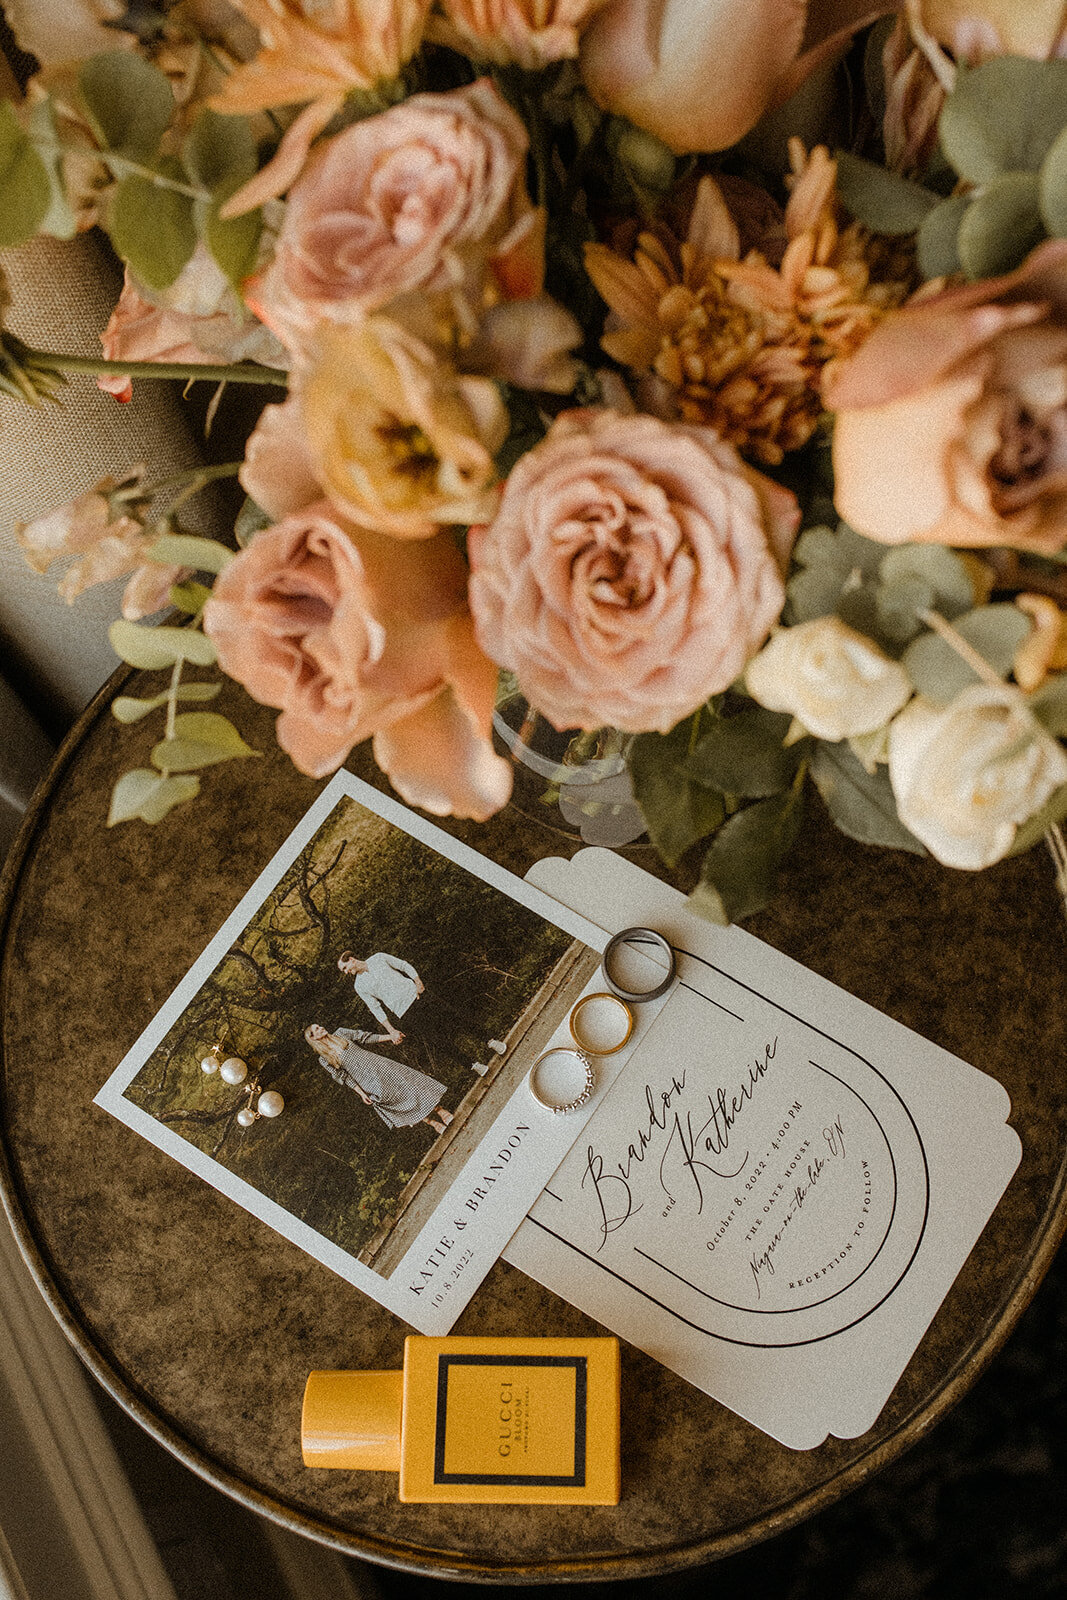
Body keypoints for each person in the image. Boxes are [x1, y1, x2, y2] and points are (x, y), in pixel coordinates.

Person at [304, 1023, 453, 1136]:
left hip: (380, 1066)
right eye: (316, 1030)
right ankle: (432, 1123)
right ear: (313, 1038)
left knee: (409, 1087)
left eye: (319, 1026)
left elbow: (366, 1037)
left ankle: (441, 1112)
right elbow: (344, 1077)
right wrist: (361, 1093)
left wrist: (391, 1036)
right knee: (398, 1102)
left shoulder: (341, 1033)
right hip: (367, 1083)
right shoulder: (324, 1059)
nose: (320, 1028)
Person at [337, 951, 423, 1044]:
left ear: (351, 960)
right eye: (343, 970)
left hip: (417, 996)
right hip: (404, 1012)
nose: (346, 972)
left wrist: (418, 983)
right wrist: (391, 1031)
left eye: (345, 967)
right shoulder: (358, 986)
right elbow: (375, 1008)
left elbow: (403, 965)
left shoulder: (379, 957)